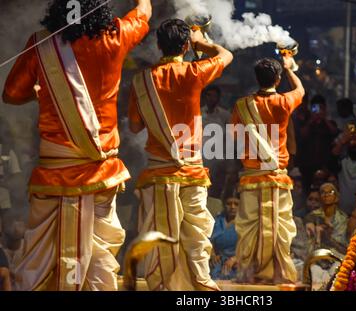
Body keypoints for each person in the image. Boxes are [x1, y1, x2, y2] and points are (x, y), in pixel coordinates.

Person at [3, 0, 152, 290]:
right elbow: (144, 12)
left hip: (53, 175)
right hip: (100, 174)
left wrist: (42, 93)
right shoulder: (116, 34)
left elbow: (10, 94)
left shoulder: (41, 45)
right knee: (98, 251)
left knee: (41, 254)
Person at [128, 19, 233, 290]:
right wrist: (202, 43)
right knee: (196, 237)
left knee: (160, 238)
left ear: (158, 45)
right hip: (192, 172)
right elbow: (225, 55)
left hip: (158, 173)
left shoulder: (142, 80)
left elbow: (135, 126)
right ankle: (200, 287)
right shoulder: (194, 72)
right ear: (186, 45)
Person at [231, 57, 305, 284]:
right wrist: (290, 67)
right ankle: (278, 275)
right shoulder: (284, 102)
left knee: (249, 227)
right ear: (278, 79)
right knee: (279, 229)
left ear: (256, 79)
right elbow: (300, 89)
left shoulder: (242, 105)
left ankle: (248, 275)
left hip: (251, 179)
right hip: (277, 179)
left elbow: (235, 136)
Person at [296, 95, 338, 191]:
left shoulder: (329, 123)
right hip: (307, 165)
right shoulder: (306, 122)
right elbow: (301, 135)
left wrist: (324, 118)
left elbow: (334, 132)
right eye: (315, 108)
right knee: (306, 190)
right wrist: (311, 120)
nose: (318, 111)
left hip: (325, 165)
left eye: (321, 108)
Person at [201, 86, 231, 199]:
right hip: (202, 161)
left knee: (216, 192)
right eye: (209, 95)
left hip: (219, 162)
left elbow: (231, 139)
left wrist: (229, 163)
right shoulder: (197, 114)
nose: (211, 98)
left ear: (218, 98)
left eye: (214, 95)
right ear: (204, 97)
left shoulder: (225, 116)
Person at [305, 183, 348, 257]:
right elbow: (309, 242)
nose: (326, 195)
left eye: (330, 192)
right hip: (316, 255)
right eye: (323, 192)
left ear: (336, 197)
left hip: (337, 256)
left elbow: (342, 244)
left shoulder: (342, 218)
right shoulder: (312, 216)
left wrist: (328, 238)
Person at [210, 195, 239, 280]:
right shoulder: (217, 220)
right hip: (218, 262)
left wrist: (235, 259)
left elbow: (249, 247)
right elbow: (208, 239)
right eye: (229, 204)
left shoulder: (244, 223)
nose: (232, 207)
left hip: (237, 264)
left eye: (236, 204)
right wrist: (213, 254)